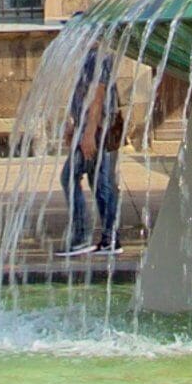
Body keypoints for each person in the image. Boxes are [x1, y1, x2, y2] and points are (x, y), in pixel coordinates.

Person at [64, 62, 126, 256]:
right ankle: (110, 239)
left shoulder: (97, 57)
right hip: (92, 129)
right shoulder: (89, 56)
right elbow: (83, 94)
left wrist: (89, 133)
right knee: (101, 183)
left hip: (97, 131)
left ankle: (83, 238)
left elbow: (97, 98)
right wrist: (73, 123)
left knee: (70, 177)